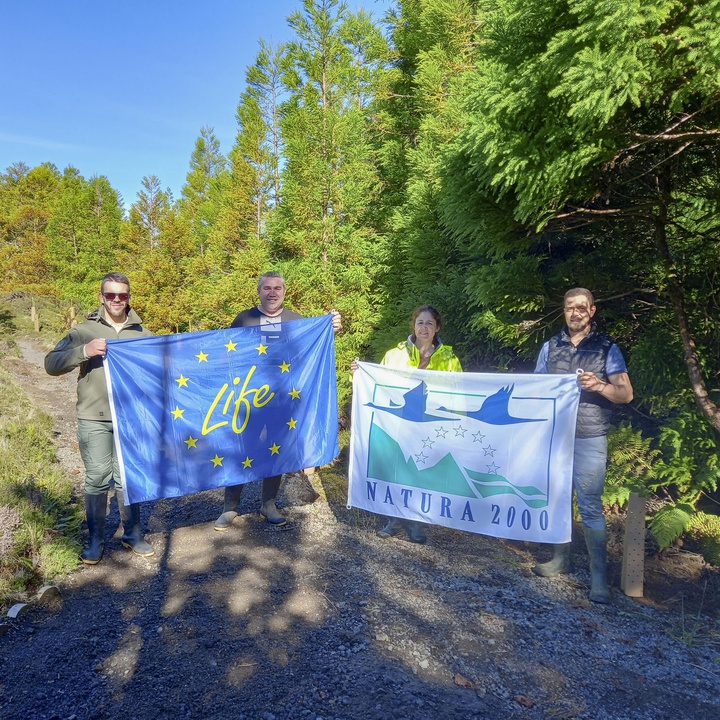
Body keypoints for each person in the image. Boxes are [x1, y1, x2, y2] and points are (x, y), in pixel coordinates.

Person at [214, 271, 342, 530]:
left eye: (278, 288)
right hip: (248, 399)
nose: (272, 292)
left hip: (282, 400)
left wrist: (331, 328)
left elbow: (313, 347)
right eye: (267, 288)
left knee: (276, 449)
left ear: (285, 292)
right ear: (259, 291)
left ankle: (268, 504)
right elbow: (226, 354)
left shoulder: (296, 320)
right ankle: (230, 507)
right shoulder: (244, 319)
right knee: (241, 448)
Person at [45, 273, 155, 564]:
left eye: (122, 295)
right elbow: (51, 364)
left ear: (129, 297)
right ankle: (95, 539)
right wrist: (84, 351)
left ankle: (132, 533)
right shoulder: (83, 330)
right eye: (111, 295)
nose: (117, 300)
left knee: (127, 479)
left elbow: (162, 369)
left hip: (130, 419)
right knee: (96, 478)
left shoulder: (143, 334)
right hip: (94, 418)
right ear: (101, 297)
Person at [532, 288, 633, 603]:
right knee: (558, 500)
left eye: (580, 308)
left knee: (589, 505)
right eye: (568, 308)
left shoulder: (607, 349)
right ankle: (560, 560)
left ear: (592, 310)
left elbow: (626, 394)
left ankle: (598, 578)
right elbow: (536, 389)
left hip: (590, 436)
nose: (574, 313)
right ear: (563, 311)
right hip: (555, 437)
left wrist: (600, 385)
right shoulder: (550, 347)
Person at [352, 305, 462, 544]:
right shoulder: (395, 355)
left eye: (429, 323)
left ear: (437, 328)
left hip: (429, 428)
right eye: (420, 322)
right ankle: (392, 520)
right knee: (397, 469)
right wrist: (360, 373)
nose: (424, 328)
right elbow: (378, 383)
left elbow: (458, 391)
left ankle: (416, 523)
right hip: (399, 423)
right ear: (413, 325)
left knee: (422, 471)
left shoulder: (450, 359)